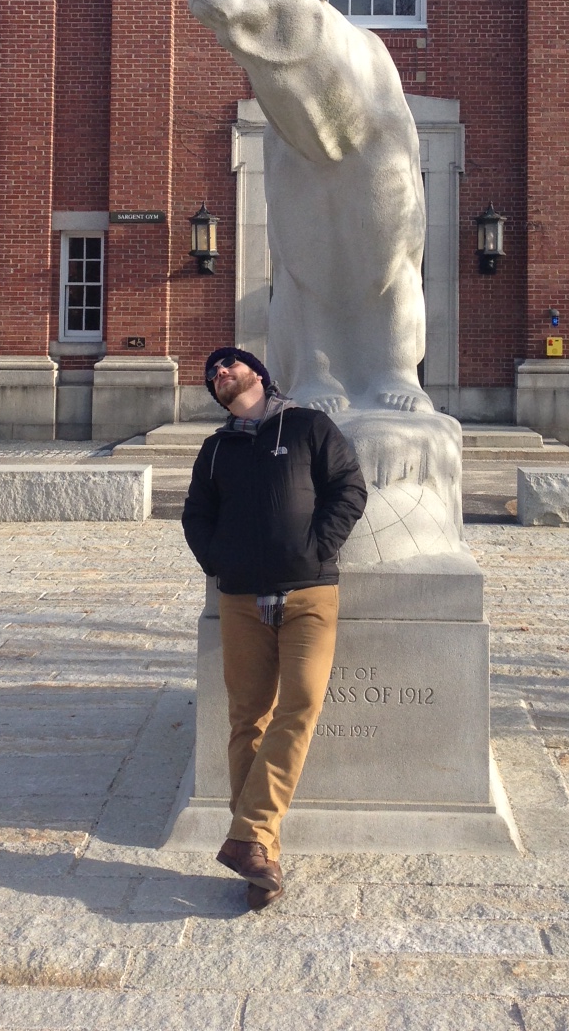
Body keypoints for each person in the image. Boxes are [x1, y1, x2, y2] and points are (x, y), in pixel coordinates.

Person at [182, 346, 367, 910]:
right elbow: (196, 515)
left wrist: (316, 549)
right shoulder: (215, 450)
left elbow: (349, 488)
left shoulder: (309, 425)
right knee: (247, 720)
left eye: (228, 364)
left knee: (302, 704)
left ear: (258, 373)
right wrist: (219, 561)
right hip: (241, 600)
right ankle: (260, 855)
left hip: (308, 593)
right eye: (212, 374)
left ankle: (248, 834)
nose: (219, 373)